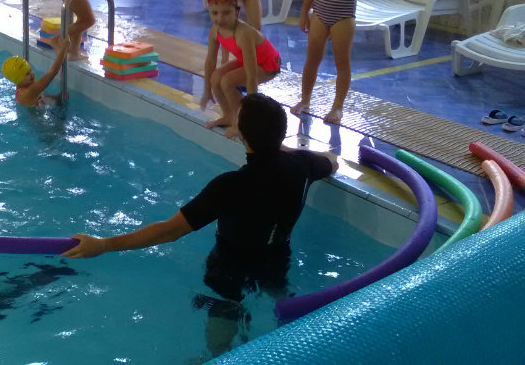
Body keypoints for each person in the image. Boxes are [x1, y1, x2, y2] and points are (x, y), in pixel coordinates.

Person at [62, 93, 338, 357]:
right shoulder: (302, 166)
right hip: (276, 263)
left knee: (217, 351)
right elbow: (332, 161)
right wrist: (292, 152)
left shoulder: (229, 186)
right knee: (285, 316)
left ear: (241, 134)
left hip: (228, 273)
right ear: (281, 133)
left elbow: (170, 231)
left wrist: (104, 244)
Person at [199, 0, 281, 138]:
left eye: (226, 13)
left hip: (268, 65)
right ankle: (229, 116)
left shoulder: (244, 34)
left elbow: (251, 76)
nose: (220, 19)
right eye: (214, 13)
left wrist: (251, 113)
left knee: (227, 81)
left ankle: (241, 123)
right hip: (249, 60)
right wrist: (207, 90)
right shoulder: (215, 31)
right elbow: (210, 61)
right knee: (216, 77)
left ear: (236, 11)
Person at [1, 37, 69, 107]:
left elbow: (40, 94)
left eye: (30, 70)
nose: (32, 74)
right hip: (38, 114)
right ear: (18, 79)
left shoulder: (25, 86)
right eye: (27, 74)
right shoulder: (27, 92)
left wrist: (56, 97)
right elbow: (53, 72)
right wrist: (64, 49)